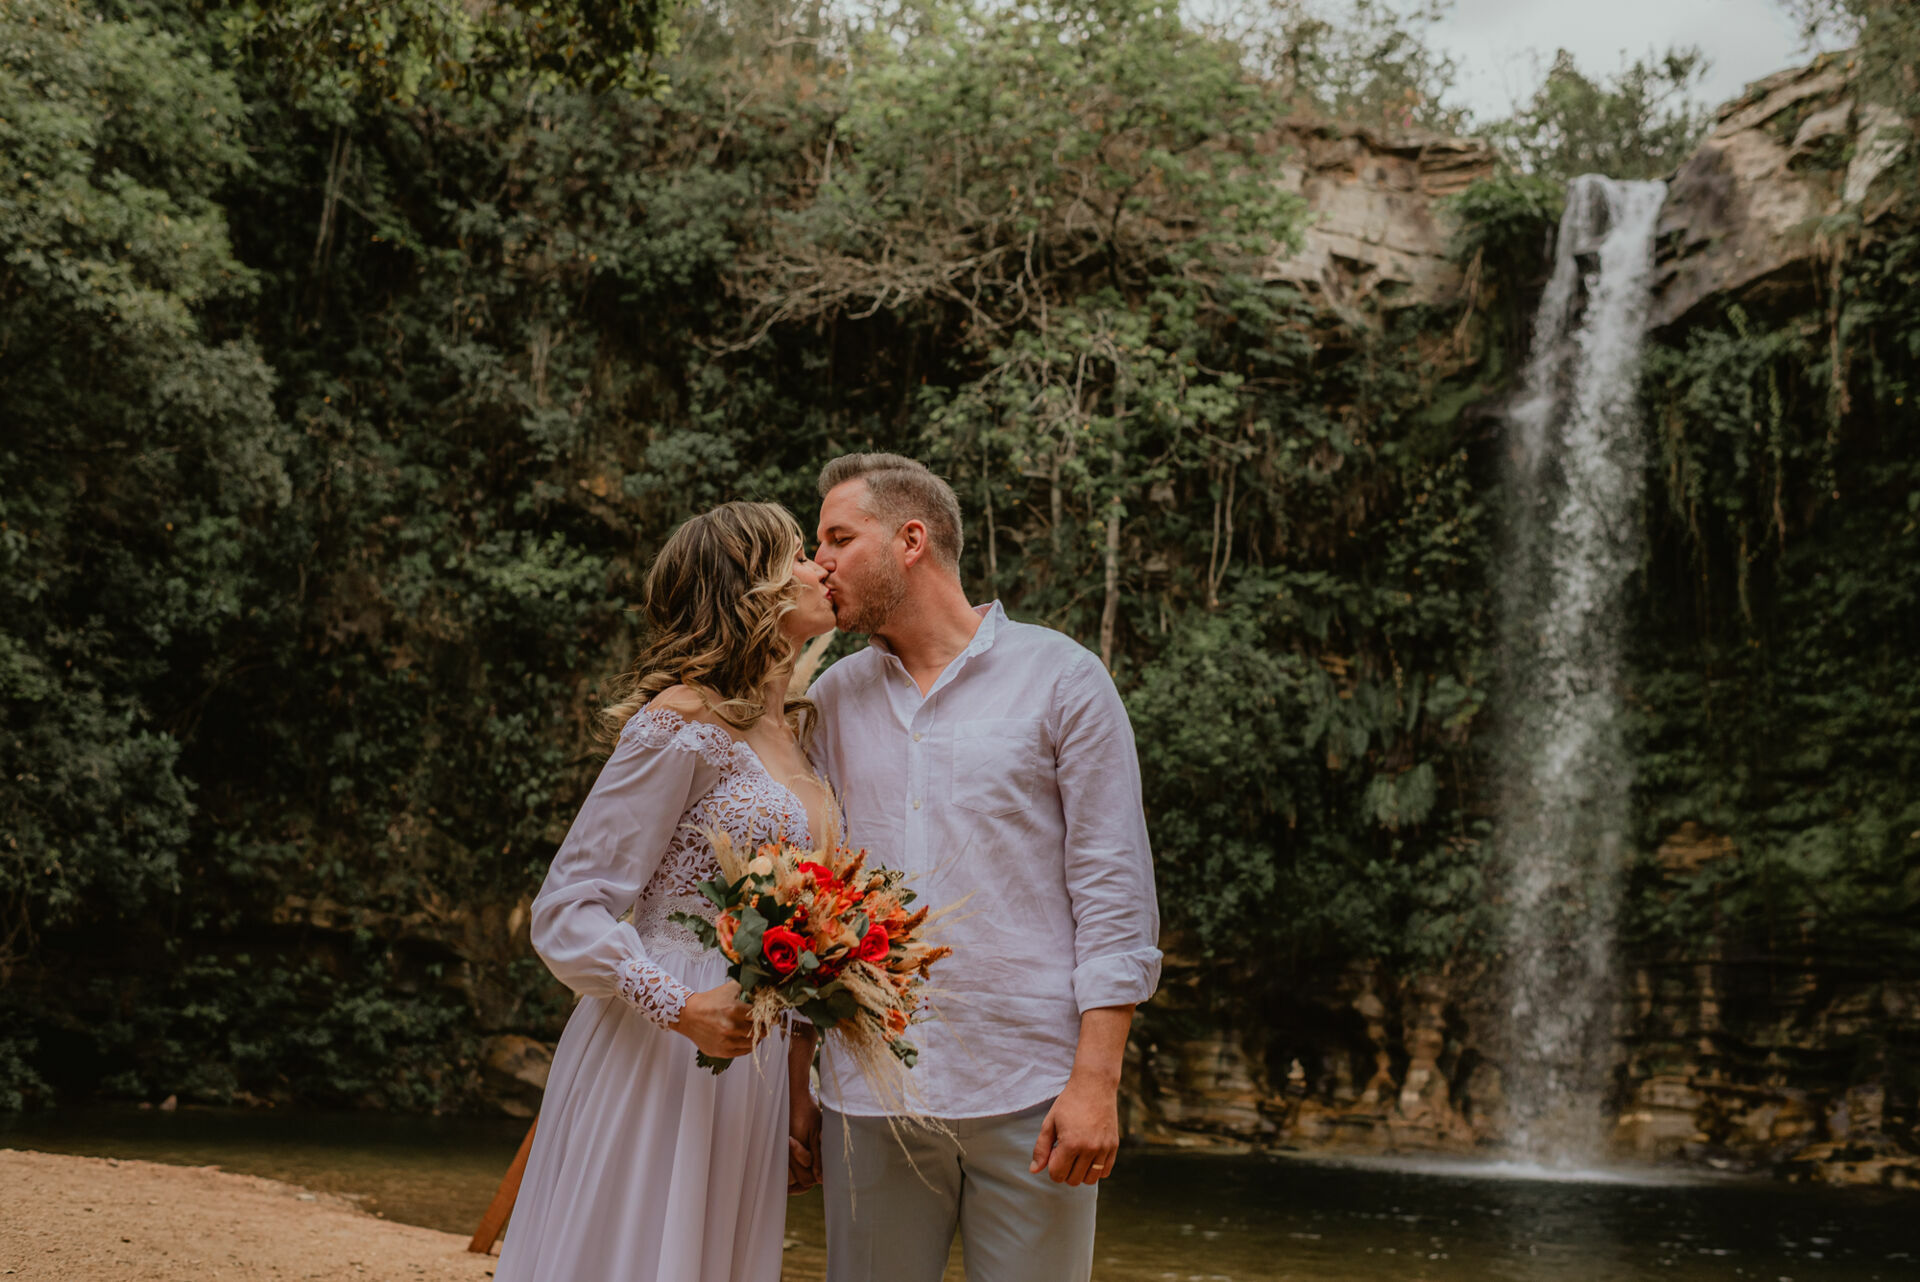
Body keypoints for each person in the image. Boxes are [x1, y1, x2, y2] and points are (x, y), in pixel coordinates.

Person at [803, 453, 1162, 1282]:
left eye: (837, 537)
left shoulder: (1063, 679)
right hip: (867, 1088)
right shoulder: (828, 701)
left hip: (1031, 1087)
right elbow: (807, 900)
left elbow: (1115, 891)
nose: (817, 561)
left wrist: (1096, 1083)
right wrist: (800, 1082)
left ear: (911, 540)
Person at [494, 501, 835, 1282]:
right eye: (799, 555)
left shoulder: (802, 734)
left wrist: (794, 1091)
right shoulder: (681, 720)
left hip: (754, 1055)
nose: (821, 567)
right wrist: (678, 1008)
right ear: (756, 587)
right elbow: (569, 906)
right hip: (660, 1036)